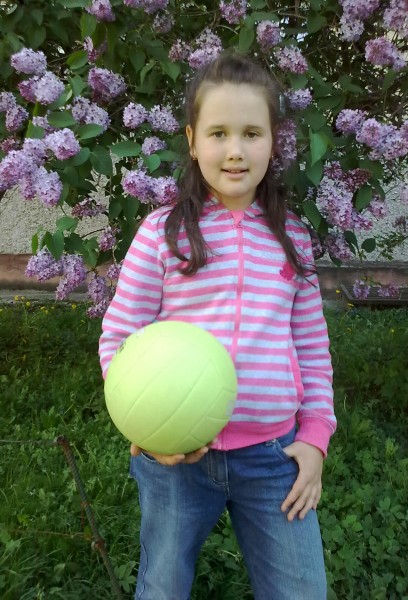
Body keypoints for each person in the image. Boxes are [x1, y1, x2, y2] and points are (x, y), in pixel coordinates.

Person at [99, 51, 336, 600]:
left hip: (274, 455)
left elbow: (311, 346)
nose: (235, 151)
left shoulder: (293, 238)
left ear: (273, 141)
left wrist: (315, 437)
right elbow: (120, 338)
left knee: (302, 591)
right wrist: (145, 426)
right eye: (218, 133)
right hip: (176, 459)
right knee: (162, 586)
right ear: (192, 140)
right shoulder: (162, 234)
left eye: (252, 133)